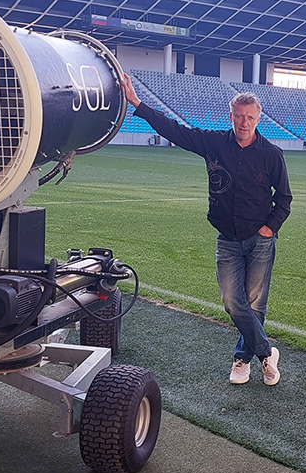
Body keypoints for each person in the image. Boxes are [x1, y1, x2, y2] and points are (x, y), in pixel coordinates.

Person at [120, 74, 292, 386]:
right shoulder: (213, 143)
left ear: (258, 118)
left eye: (250, 117)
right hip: (227, 238)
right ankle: (267, 352)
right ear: (231, 116)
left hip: (260, 239)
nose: (244, 122)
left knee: (255, 304)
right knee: (231, 301)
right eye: (239, 116)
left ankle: (242, 360)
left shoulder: (271, 154)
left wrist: (270, 228)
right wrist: (137, 103)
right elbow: (175, 130)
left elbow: (284, 199)